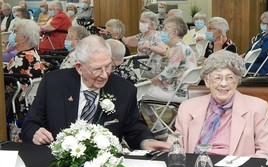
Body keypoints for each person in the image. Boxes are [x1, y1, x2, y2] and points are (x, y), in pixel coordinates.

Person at [21, 35, 169, 151]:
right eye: (97, 69)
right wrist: (35, 132)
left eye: (109, 66)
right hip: (57, 162)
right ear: (79, 67)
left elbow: (134, 129)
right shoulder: (53, 83)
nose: (105, 75)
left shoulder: (124, 89)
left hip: (102, 166)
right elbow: (30, 124)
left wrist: (146, 141)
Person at [174, 50, 268, 158]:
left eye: (230, 78)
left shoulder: (257, 108)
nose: (223, 84)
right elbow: (175, 146)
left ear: (238, 81)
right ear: (207, 81)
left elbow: (267, 151)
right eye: (217, 77)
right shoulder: (187, 108)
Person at [141, 16, 197, 133]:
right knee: (139, 91)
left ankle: (158, 128)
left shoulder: (178, 49)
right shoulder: (183, 46)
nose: (163, 32)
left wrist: (147, 82)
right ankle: (158, 127)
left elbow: (165, 75)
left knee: (136, 92)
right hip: (183, 89)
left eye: (166, 29)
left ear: (174, 33)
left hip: (176, 91)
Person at [123, 11, 163, 79]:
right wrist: (112, 33)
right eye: (140, 21)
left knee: (123, 73)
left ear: (152, 24)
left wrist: (148, 46)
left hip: (150, 68)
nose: (141, 23)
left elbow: (163, 51)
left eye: (143, 22)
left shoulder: (158, 36)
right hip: (140, 66)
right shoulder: (142, 35)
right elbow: (126, 41)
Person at [242, 11, 268, 75]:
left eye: (263, 23)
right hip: (253, 62)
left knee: (233, 66)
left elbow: (262, 55)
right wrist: (244, 55)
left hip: (261, 66)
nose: (261, 24)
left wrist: (245, 59)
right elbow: (252, 49)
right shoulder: (263, 35)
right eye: (261, 22)